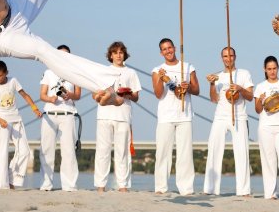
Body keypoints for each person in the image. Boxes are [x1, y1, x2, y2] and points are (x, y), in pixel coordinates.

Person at [151, 38, 200, 195]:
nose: (168, 51)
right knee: (163, 152)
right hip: (166, 115)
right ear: (161, 52)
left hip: (184, 114)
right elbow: (158, 94)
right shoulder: (157, 70)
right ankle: (160, 187)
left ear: (174, 48)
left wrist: (188, 87)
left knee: (185, 153)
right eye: (164, 49)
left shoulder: (187, 67)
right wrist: (160, 78)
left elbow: (197, 89)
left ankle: (186, 188)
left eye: (170, 48)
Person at [203, 47, 254, 196]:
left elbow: (250, 97)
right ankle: (210, 189)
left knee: (241, 152)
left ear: (235, 56)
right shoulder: (218, 77)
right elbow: (213, 99)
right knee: (214, 149)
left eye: (230, 55)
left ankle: (244, 190)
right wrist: (212, 84)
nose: (228, 58)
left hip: (239, 116)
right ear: (221, 58)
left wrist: (240, 88)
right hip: (220, 116)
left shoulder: (244, 74)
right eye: (225, 56)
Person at [0, 60, 41, 190]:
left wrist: (35, 108)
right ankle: (3, 187)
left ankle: (11, 179)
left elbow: (25, 95)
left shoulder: (13, 81)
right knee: (2, 153)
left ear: (6, 73)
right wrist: (0, 121)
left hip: (16, 120)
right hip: (1, 122)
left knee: (25, 151)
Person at [95, 41, 142, 193]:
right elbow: (95, 93)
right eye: (115, 52)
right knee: (103, 151)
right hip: (104, 115)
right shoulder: (103, 71)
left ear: (124, 55)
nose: (118, 55)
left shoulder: (131, 73)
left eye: (121, 52)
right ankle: (101, 186)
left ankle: (123, 186)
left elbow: (136, 97)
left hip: (124, 116)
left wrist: (127, 94)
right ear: (110, 55)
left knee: (122, 152)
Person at [38, 45, 81, 192]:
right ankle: (46, 184)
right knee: (46, 150)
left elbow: (78, 95)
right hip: (50, 114)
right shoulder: (48, 72)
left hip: (68, 113)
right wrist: (50, 99)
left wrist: (70, 95)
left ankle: (69, 185)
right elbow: (42, 94)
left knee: (68, 151)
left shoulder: (74, 72)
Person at [253, 56, 279, 200]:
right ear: (265, 69)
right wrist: (260, 99)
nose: (272, 71)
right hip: (265, 127)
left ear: (278, 68)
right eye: (269, 69)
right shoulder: (260, 86)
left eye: (274, 68)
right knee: (268, 161)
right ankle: (270, 194)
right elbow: (258, 110)